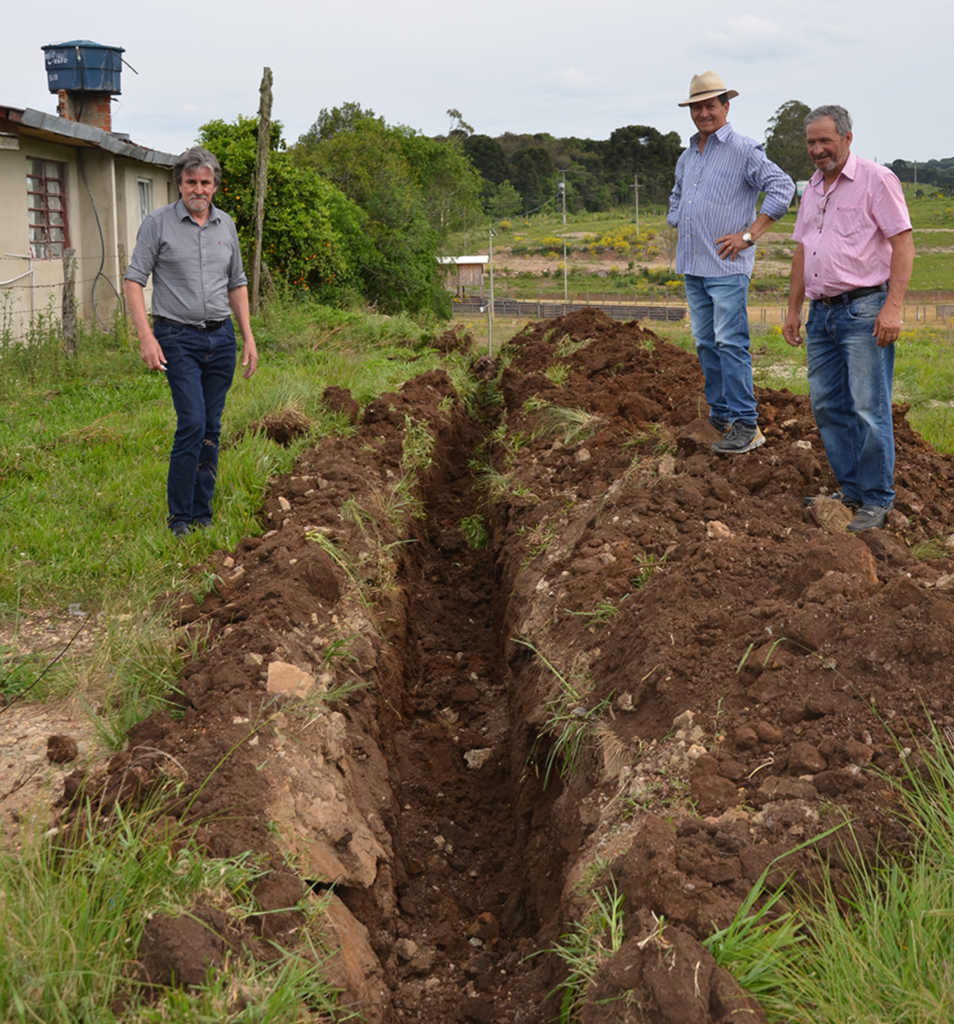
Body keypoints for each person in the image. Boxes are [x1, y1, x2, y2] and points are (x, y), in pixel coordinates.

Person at [782, 106, 914, 533]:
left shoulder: (877, 180)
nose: (818, 150)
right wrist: (793, 309)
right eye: (811, 143)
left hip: (863, 310)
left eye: (826, 141)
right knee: (827, 405)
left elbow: (903, 245)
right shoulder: (813, 188)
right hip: (821, 315)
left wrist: (892, 307)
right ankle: (853, 489)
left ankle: (877, 498)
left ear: (847, 138)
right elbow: (803, 250)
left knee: (868, 407)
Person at [124, 147, 258, 538]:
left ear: (215, 185)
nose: (197, 189)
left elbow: (237, 284)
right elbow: (134, 281)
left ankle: (203, 513)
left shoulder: (226, 226)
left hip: (221, 338)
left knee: (212, 427)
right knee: (192, 422)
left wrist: (248, 338)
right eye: (190, 182)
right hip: (177, 337)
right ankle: (179, 518)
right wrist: (146, 338)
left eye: (205, 182)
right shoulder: (158, 224)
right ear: (179, 184)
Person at [668, 71, 795, 453]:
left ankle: (746, 424)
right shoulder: (688, 154)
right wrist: (678, 218)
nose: (704, 113)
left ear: (725, 106)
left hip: (726, 268)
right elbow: (676, 195)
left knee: (730, 342)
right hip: (694, 265)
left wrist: (748, 235)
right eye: (697, 107)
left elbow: (783, 186)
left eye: (711, 105)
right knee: (706, 342)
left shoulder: (743, 149)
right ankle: (720, 413)